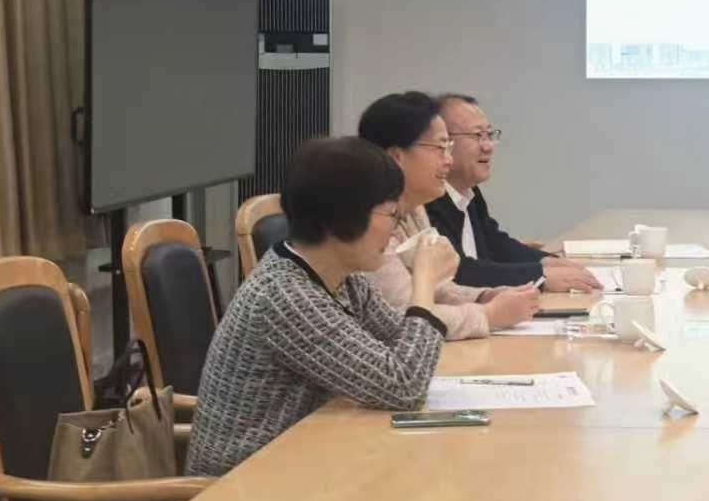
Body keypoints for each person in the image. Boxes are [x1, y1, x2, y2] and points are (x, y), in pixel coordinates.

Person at [187, 137, 457, 476]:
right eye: (391, 213)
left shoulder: (341, 277)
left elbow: (402, 345)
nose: (395, 227)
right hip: (245, 486)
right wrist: (424, 281)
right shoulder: (284, 295)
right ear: (342, 217)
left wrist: (424, 290)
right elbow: (404, 387)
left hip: (304, 463)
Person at [357, 91, 541, 339]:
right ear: (397, 157)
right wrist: (488, 314)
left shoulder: (413, 208)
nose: (448, 161)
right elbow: (402, 314)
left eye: (449, 148)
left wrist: (484, 296)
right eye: (440, 148)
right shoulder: (369, 220)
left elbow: (436, 288)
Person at [424, 93, 601, 292]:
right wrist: (540, 276)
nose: (488, 146)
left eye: (489, 135)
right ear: (443, 141)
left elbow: (496, 243)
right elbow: (459, 271)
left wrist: (548, 262)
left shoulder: (468, 192)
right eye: (477, 136)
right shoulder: (427, 201)